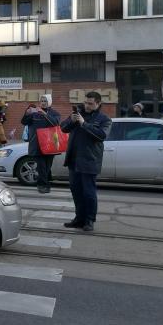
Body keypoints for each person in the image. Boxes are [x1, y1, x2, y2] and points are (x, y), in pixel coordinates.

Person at [60, 92, 112, 232]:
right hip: (73, 160)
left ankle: (89, 220)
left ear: (98, 104)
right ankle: (79, 219)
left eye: (90, 103)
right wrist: (71, 120)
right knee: (76, 191)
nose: (87, 106)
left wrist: (84, 124)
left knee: (88, 192)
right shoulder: (78, 114)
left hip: (89, 160)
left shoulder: (104, 119)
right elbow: (63, 128)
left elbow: (101, 136)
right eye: (86, 102)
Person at [21, 94, 62, 194]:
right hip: (37, 144)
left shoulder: (55, 113)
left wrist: (44, 113)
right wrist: (26, 113)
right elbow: (24, 122)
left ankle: (46, 180)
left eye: (45, 101)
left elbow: (55, 123)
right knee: (41, 166)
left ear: (49, 102)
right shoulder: (34, 113)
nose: (43, 103)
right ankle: (43, 185)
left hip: (50, 144)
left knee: (47, 166)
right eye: (42, 101)